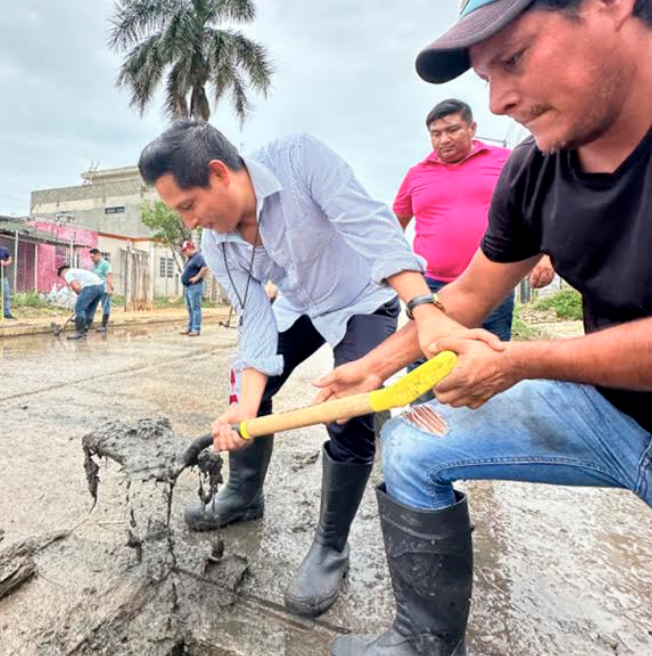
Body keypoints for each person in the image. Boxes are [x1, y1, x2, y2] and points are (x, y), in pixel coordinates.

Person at [318, 0, 652, 656]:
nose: (498, 101)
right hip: (610, 414)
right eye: (484, 78)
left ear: (611, 0)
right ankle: (428, 648)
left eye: (514, 59)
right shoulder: (536, 168)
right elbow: (466, 296)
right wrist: (373, 367)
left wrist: (520, 361)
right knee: (412, 447)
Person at [138, 121, 488, 620]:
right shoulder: (218, 244)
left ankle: (330, 546)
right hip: (299, 305)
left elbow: (371, 226)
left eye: (188, 207)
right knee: (249, 387)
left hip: (361, 298)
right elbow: (255, 326)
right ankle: (242, 493)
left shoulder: (299, 160)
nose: (190, 223)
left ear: (219, 174)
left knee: (347, 412)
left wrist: (423, 306)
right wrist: (244, 407)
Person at [394, 98, 555, 344]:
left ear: (472, 128)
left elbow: (542, 207)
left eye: (452, 130)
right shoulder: (417, 174)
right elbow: (394, 228)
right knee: (424, 358)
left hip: (493, 282)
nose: (444, 139)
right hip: (431, 287)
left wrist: (547, 255)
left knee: (489, 359)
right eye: (435, 134)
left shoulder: (505, 160)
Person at [56, 264, 106, 340]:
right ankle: (84, 331)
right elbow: (79, 289)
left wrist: (81, 298)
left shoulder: (67, 273)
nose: (64, 279)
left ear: (62, 272)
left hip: (90, 287)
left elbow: (76, 287)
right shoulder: (77, 271)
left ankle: (79, 332)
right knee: (90, 310)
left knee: (79, 308)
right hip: (101, 287)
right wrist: (83, 297)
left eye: (62, 277)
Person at [180, 240, 208, 336]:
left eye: (185, 250)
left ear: (190, 248)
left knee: (195, 308)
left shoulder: (198, 257)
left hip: (195, 287)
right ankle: (190, 327)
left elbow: (204, 268)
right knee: (190, 308)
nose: (184, 252)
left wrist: (196, 278)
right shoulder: (190, 259)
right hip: (188, 287)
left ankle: (196, 329)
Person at [89, 248, 114, 333]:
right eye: (90, 257)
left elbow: (109, 276)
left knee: (105, 306)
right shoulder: (94, 265)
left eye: (93, 257)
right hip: (96, 288)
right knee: (90, 304)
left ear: (98, 255)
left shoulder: (105, 264)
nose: (92, 259)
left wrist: (109, 288)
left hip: (104, 288)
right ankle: (86, 322)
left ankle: (104, 326)